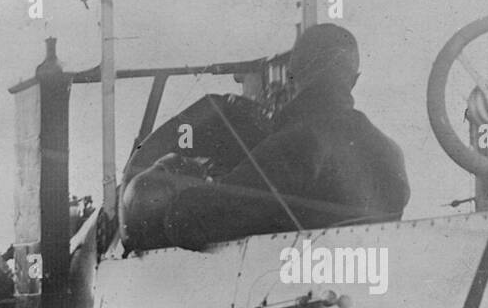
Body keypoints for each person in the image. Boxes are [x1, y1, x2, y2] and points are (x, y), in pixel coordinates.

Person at [162, 23, 410, 249]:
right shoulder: (392, 153)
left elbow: (194, 222)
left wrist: (181, 195)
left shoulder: (298, 144)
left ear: (292, 74)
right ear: (354, 80)